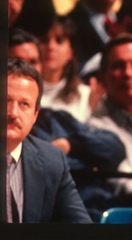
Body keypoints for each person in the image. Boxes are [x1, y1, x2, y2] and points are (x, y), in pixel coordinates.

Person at [6, 58, 92, 223]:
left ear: (35, 115)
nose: (13, 113)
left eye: (24, 104)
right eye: (5, 101)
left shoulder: (52, 161)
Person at [88, 36, 132, 206]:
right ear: (102, 77)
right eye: (118, 66)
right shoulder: (93, 128)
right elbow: (126, 186)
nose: (128, 73)